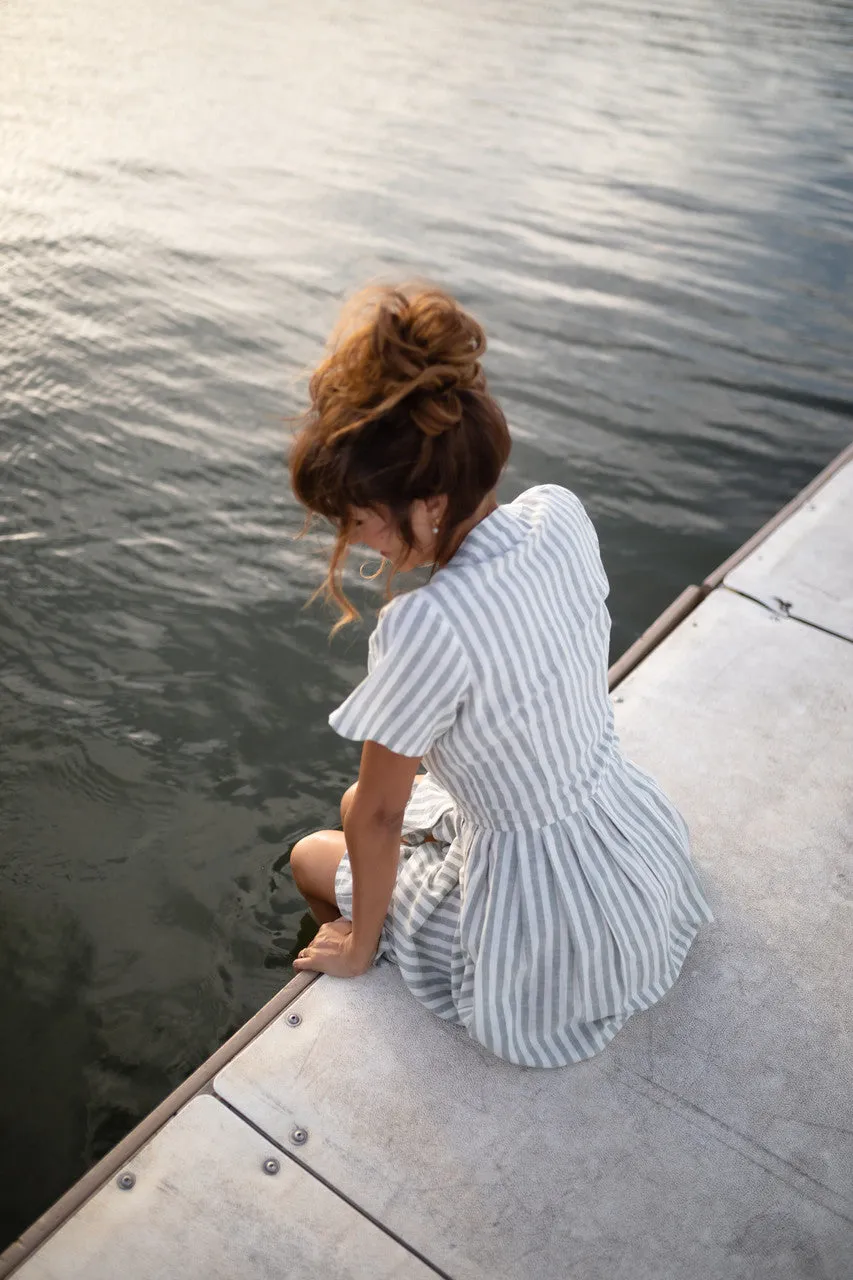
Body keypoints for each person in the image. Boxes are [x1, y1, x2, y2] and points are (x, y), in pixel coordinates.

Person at [288, 282, 713, 1068]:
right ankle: (393, 921)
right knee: (355, 801)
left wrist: (359, 945)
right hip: (628, 854)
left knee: (314, 856)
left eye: (363, 515)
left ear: (430, 498)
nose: (359, 537)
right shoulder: (557, 513)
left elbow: (378, 822)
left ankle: (367, 953)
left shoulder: (424, 627)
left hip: (545, 922)